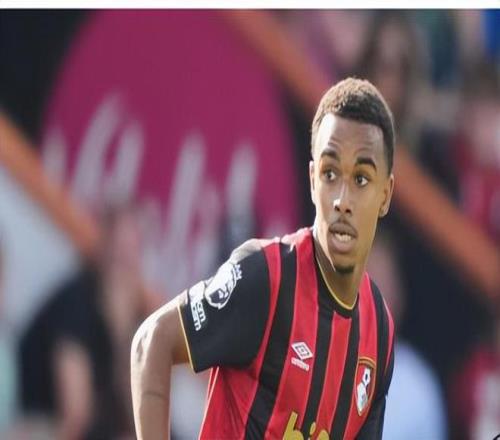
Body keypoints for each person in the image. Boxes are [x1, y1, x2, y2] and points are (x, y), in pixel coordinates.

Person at [131, 78, 396, 439]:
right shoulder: (266, 278)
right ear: (312, 180)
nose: (342, 200)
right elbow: (152, 341)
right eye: (330, 174)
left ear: (386, 194)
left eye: (362, 179)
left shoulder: (379, 331)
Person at [19, 203, 145, 439]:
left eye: (130, 255)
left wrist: (122, 337)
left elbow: (137, 415)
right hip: (39, 423)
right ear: (103, 248)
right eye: (117, 252)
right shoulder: (76, 302)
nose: (122, 267)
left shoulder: (134, 323)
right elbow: (74, 416)